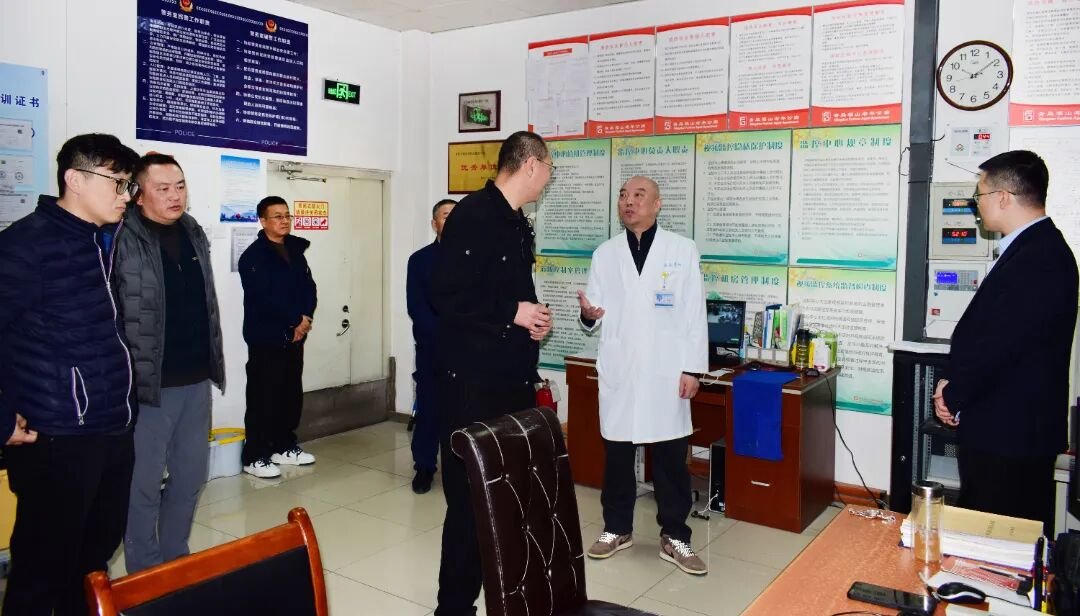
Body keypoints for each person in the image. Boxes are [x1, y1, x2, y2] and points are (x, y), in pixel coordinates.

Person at [0, 134, 140, 615]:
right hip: (56, 437)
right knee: (42, 570)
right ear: (75, 179)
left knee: (92, 561)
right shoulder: (25, 245)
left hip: (111, 428)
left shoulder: (101, 241)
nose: (126, 196)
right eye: (117, 183)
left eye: (129, 185)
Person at [431, 130, 554, 615]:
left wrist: (532, 318)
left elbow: (508, 291)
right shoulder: (473, 216)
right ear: (530, 164)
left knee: (504, 501)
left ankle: (502, 599)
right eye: (548, 168)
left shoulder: (516, 221)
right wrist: (512, 312)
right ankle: (454, 608)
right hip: (473, 386)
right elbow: (448, 296)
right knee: (469, 504)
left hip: (510, 381)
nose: (548, 179)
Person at [934, 150, 1078, 534]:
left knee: (1002, 537)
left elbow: (999, 346)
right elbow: (991, 334)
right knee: (988, 529)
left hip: (1012, 435)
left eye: (979, 195)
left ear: (1002, 197)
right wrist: (953, 385)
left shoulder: (1040, 257)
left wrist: (953, 394)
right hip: (1004, 428)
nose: (976, 205)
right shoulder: (1031, 248)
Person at [578, 175, 709, 575]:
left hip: (666, 370)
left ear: (657, 204)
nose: (628, 201)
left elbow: (694, 312)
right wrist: (588, 315)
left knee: (670, 456)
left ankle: (675, 536)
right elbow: (593, 313)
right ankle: (617, 528)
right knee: (617, 455)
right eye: (623, 195)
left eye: (638, 195)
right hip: (621, 368)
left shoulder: (681, 250)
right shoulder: (605, 254)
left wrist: (692, 368)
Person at [115, 153, 225, 573]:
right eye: (162, 188)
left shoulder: (192, 230)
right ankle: (144, 569)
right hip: (148, 385)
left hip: (196, 379)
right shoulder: (121, 236)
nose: (175, 195)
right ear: (139, 194)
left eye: (180, 186)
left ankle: (176, 559)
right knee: (142, 484)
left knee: (191, 475)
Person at [238, 196, 318, 479]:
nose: (284, 221)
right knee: (263, 397)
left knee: (289, 394)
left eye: (287, 216)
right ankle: (255, 455)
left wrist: (305, 318)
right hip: (267, 338)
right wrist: (295, 320)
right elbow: (264, 298)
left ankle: (283, 446)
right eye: (277, 216)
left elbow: (309, 288)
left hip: (295, 337)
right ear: (263, 221)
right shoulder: (253, 257)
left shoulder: (295, 251)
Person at [406, 198, 457, 494]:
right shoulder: (420, 260)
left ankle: (462, 467)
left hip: (467, 350)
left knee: (463, 411)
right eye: (446, 215)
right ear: (434, 223)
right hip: (432, 348)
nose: (452, 221)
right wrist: (444, 333)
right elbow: (416, 306)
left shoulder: (475, 258)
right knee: (430, 409)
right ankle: (424, 466)